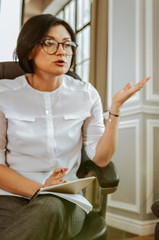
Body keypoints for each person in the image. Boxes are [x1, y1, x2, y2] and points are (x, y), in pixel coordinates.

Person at [0, 14, 149, 240]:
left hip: (63, 199)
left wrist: (115, 109)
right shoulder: (4, 95)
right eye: (50, 43)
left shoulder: (85, 93)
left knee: (49, 208)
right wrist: (40, 189)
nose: (62, 51)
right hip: (11, 195)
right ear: (29, 50)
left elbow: (100, 159)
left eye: (67, 44)